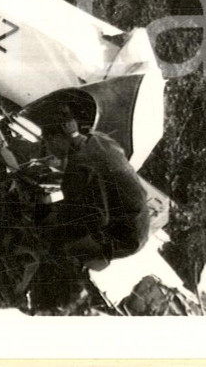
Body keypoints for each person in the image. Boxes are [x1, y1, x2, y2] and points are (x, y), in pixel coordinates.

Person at [49, 114, 150, 271]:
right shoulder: (101, 140)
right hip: (135, 224)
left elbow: (92, 214)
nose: (48, 147)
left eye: (48, 140)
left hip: (125, 234)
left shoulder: (80, 163)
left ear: (59, 137)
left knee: (54, 237)